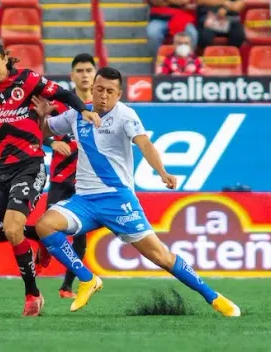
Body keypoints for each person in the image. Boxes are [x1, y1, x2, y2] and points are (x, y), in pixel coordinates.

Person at [31, 67, 241, 317]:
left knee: (161, 256)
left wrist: (162, 172)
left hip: (117, 200)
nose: (103, 96)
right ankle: (87, 279)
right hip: (84, 200)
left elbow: (144, 144)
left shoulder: (125, 116)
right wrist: (42, 118)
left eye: (110, 91)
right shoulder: (79, 113)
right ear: (92, 90)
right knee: (45, 226)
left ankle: (214, 297)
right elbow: (43, 133)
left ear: (119, 95)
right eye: (99, 90)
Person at [0, 35, 100, 317]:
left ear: (5, 58)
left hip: (30, 165)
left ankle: (32, 294)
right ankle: (39, 237)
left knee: (13, 229)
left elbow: (62, 94)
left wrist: (84, 110)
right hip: (0, 169)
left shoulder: (27, 81)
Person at [41, 53, 96, 299]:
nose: (85, 75)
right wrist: (52, 142)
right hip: (61, 178)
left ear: (95, 74)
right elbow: (38, 131)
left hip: (87, 183)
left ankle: (67, 286)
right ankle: (44, 248)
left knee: (80, 239)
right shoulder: (60, 104)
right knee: (50, 224)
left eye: (88, 70)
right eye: (80, 71)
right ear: (71, 75)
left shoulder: (102, 105)